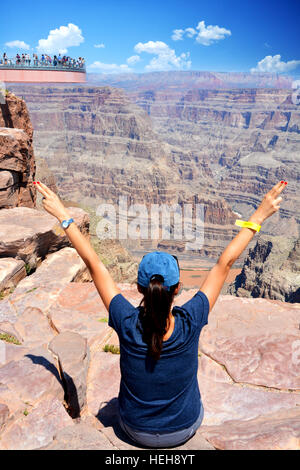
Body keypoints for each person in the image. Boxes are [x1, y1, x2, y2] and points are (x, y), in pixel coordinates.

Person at [33, 179, 287, 448]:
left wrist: (63, 215)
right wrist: (259, 215)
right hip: (183, 429)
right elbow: (225, 263)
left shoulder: (125, 320)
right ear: (177, 288)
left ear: (140, 288)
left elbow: (94, 264)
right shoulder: (192, 320)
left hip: (132, 429)